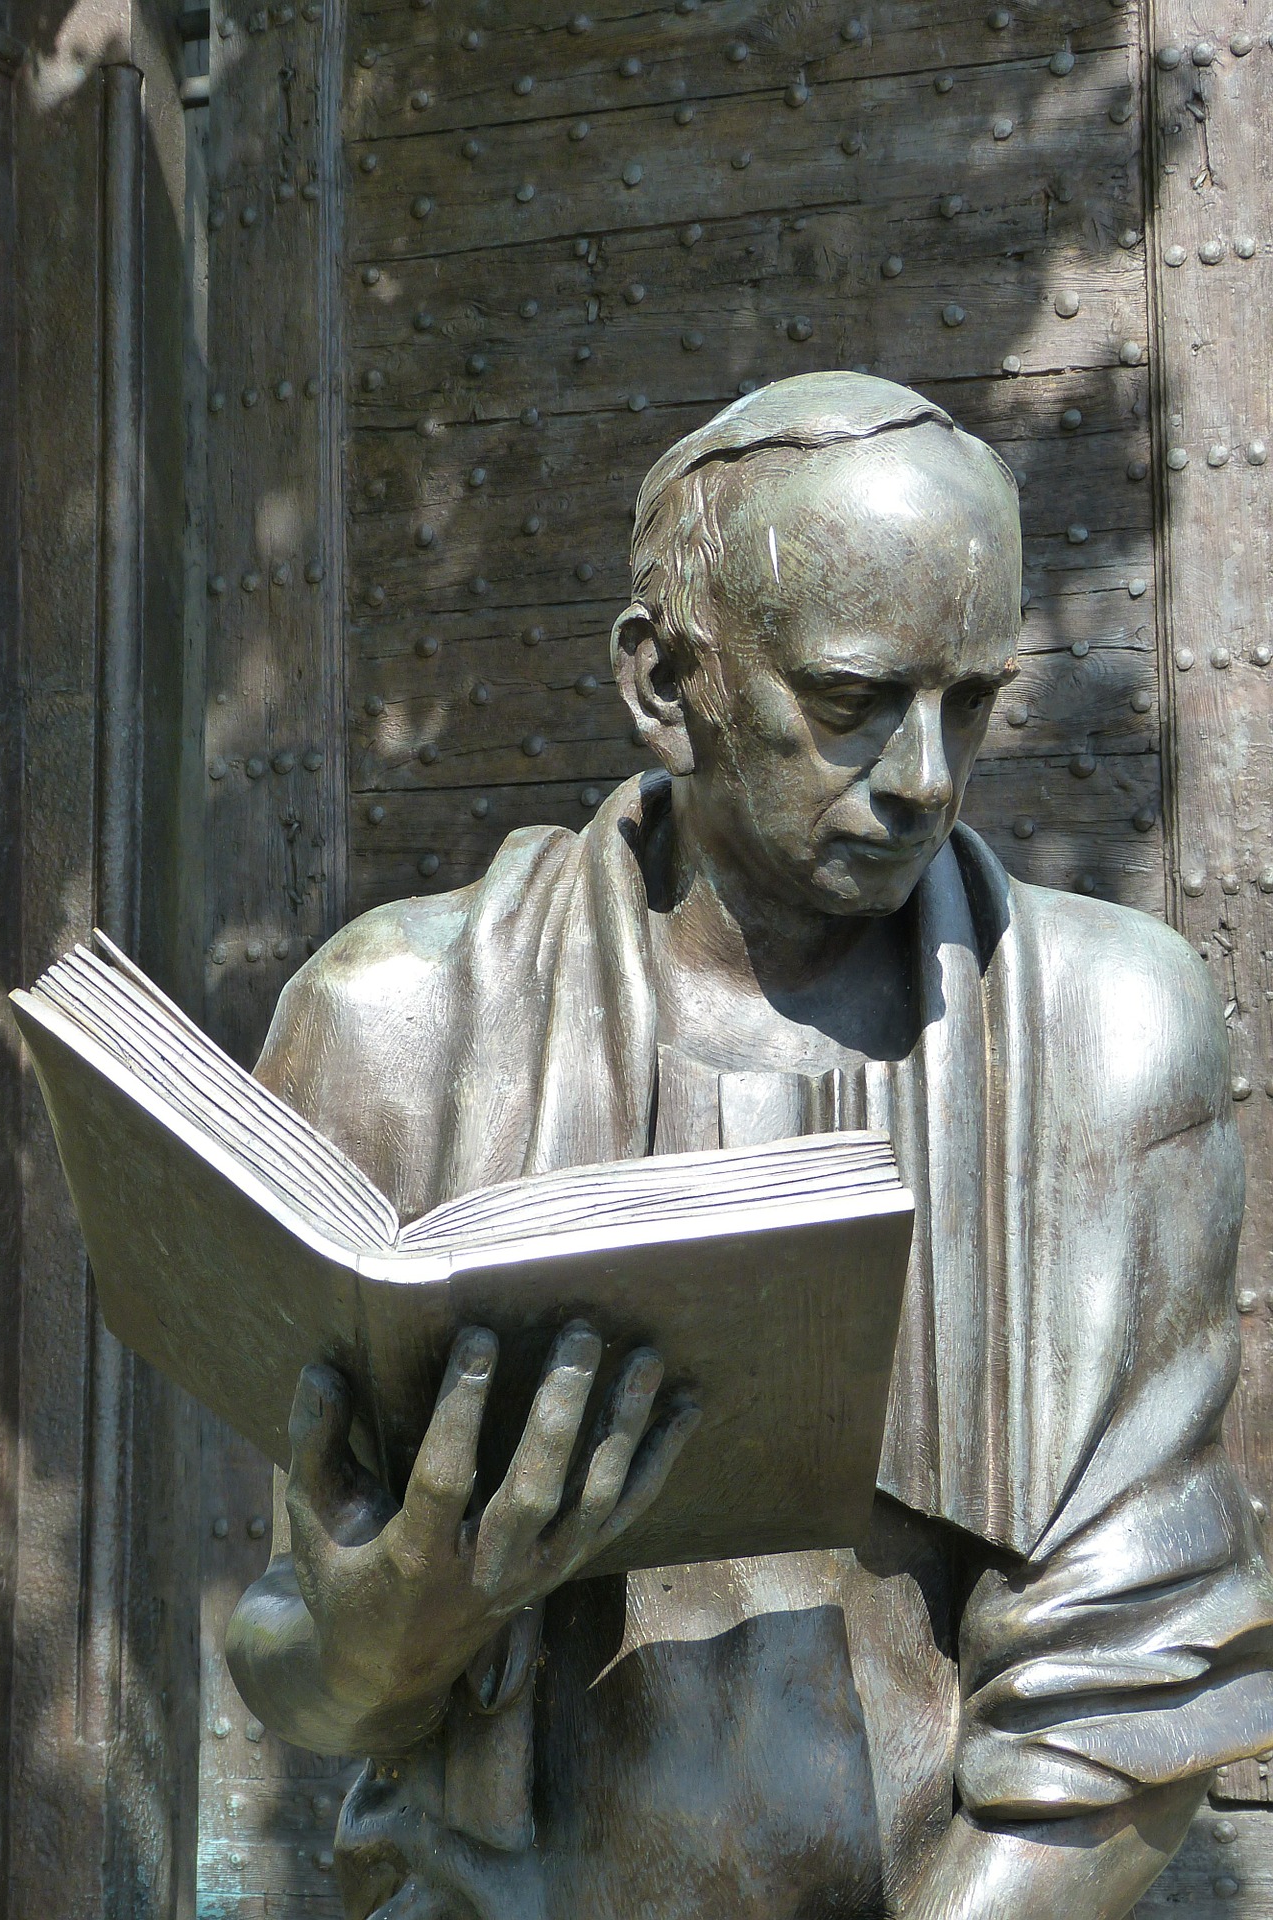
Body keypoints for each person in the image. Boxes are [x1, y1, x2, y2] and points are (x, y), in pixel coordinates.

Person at [226, 373, 1273, 1919]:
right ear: (664, 683)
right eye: (853, 704)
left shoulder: (1109, 1034)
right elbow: (297, 1671)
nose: (926, 778)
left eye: (971, 702)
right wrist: (391, 1634)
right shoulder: (400, 1023)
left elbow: (1133, 1680)